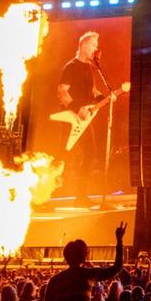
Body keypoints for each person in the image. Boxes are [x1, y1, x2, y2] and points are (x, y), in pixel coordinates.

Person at [34, 222, 127, 301]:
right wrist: (119, 241)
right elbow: (117, 268)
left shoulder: (55, 280)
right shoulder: (88, 275)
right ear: (83, 256)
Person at [56, 32, 111, 207]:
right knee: (62, 155)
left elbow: (92, 91)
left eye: (96, 45)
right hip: (70, 117)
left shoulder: (90, 67)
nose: (96, 48)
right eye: (93, 45)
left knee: (90, 153)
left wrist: (106, 97)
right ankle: (41, 194)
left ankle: (81, 196)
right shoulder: (71, 66)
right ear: (83, 45)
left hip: (83, 119)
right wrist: (77, 108)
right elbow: (62, 93)